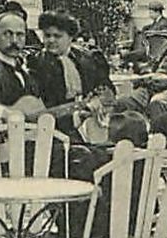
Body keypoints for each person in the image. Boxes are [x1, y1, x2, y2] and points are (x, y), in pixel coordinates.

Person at [33, 10, 111, 142]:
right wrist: (75, 116)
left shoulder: (89, 58)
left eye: (57, 36)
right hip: (56, 128)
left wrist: (98, 99)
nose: (51, 40)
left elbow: (107, 88)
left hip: (93, 121)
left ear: (70, 37)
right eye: (47, 35)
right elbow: (41, 108)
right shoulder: (36, 64)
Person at [126, 0, 167, 66]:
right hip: (149, 48)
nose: (150, 15)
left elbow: (166, 34)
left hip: (153, 51)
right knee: (131, 54)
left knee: (130, 55)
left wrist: (147, 33)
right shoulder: (156, 22)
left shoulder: (163, 23)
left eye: (151, 13)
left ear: (157, 12)